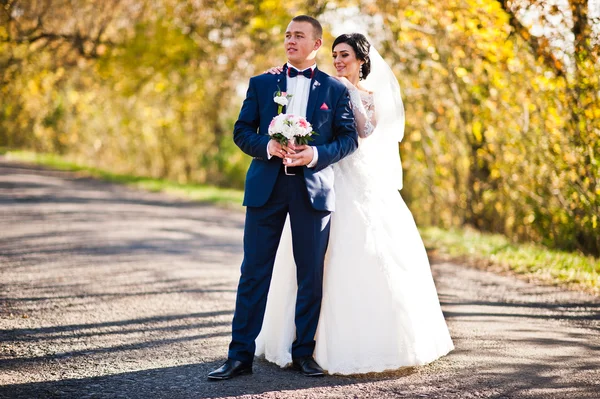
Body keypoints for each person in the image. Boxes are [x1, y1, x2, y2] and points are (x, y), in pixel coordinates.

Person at [256, 33, 454, 375]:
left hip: (361, 182)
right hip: (324, 177)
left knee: (365, 254)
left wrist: (349, 90)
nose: (339, 61)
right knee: (311, 259)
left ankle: (363, 343)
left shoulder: (368, 95)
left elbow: (366, 131)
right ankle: (300, 340)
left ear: (362, 60)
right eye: (334, 55)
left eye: (345, 55)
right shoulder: (322, 87)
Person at [207, 16, 359, 380]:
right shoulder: (261, 83)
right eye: (288, 35)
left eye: (299, 35)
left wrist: (315, 155)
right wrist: (267, 145)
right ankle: (239, 356)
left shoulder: (335, 89)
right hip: (266, 188)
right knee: (253, 273)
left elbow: (349, 139)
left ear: (316, 44)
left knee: (310, 275)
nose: (291, 40)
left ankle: (303, 353)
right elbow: (242, 131)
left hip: (313, 191)